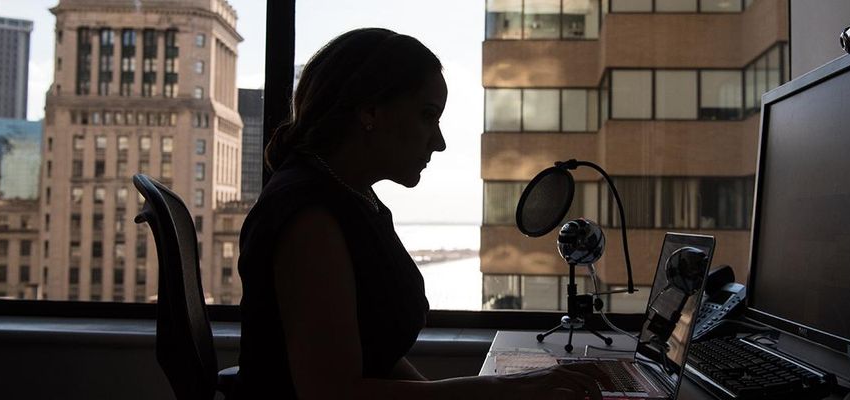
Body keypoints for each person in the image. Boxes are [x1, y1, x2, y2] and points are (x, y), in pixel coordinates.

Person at [232, 28, 604, 399]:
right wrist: (500, 390)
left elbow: (377, 357)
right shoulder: (310, 218)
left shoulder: (355, 200)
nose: (439, 142)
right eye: (428, 115)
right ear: (370, 111)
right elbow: (332, 392)